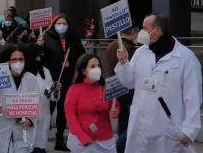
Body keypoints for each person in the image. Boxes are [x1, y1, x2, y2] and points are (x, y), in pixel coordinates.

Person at [115, 14, 202, 153]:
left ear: (157, 31)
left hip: (168, 130)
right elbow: (128, 82)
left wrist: (189, 130)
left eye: (144, 28)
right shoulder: (140, 52)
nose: (141, 32)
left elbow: (193, 96)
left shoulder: (186, 58)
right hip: (140, 127)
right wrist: (124, 63)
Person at [40, 14, 85, 151]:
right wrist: (39, 46)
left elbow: (82, 55)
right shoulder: (46, 37)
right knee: (48, 108)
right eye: (59, 23)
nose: (61, 26)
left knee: (63, 109)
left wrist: (73, 64)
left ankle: (59, 139)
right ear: (54, 24)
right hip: (51, 78)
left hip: (67, 78)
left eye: (64, 23)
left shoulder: (72, 37)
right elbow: (40, 56)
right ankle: (40, 139)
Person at [0, 44, 39, 153]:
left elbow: (37, 104)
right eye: (14, 59)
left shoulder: (32, 79)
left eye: (20, 59)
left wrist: (30, 120)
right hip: (1, 126)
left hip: (22, 130)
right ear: (8, 61)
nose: (17, 62)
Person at [65, 53, 119, 152]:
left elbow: (115, 105)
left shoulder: (106, 87)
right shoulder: (74, 89)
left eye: (98, 66)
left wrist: (115, 110)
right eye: (93, 66)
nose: (97, 69)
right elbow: (70, 116)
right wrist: (82, 137)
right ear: (84, 71)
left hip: (105, 140)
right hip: (81, 141)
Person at [101, 23, 138, 153]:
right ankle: (117, 148)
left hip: (115, 89)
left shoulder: (111, 46)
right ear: (134, 33)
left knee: (123, 123)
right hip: (129, 91)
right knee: (133, 127)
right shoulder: (130, 49)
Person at [28, 44, 59, 153]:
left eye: (41, 55)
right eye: (37, 55)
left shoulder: (45, 71)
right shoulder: (23, 72)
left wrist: (55, 90)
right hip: (27, 117)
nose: (40, 58)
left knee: (40, 146)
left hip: (43, 114)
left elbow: (49, 92)